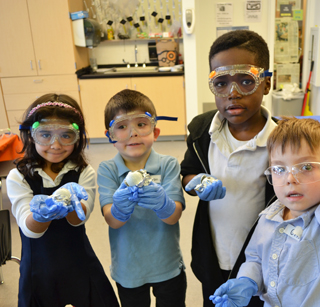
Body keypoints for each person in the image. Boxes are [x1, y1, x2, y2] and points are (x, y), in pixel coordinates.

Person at [209, 44, 320, 307]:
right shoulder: (269, 215)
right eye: (279, 168)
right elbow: (256, 259)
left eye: (306, 167)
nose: (290, 179)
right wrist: (247, 281)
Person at [180, 30, 277, 307]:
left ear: (267, 83)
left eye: (246, 81)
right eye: (221, 83)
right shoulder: (202, 131)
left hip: (262, 261)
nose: (232, 94)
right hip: (214, 255)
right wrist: (196, 182)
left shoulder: (282, 141)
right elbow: (186, 171)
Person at [6, 93, 119, 307]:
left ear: (78, 137)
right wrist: (43, 213)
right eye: (45, 135)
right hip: (38, 269)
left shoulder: (83, 172)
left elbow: (78, 219)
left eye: (66, 135)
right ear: (30, 135)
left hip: (79, 263)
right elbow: (30, 229)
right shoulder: (18, 176)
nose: (56, 145)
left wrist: (71, 203)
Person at [97, 89, 186, 307]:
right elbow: (112, 220)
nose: (133, 133)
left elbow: (173, 217)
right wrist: (120, 209)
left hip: (167, 264)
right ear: (110, 135)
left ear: (155, 132)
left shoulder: (168, 164)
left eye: (141, 124)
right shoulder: (107, 169)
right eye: (121, 127)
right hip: (129, 268)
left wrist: (163, 204)